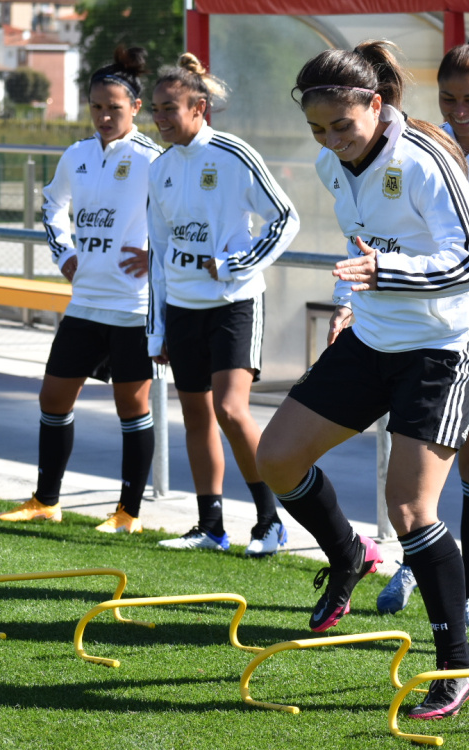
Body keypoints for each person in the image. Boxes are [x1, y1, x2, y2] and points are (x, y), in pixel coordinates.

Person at [256, 40, 469, 719]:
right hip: (371, 339)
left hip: (439, 350)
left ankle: (459, 665)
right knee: (277, 459)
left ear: (376, 105)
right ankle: (347, 555)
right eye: (317, 130)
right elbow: (361, 246)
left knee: (411, 510)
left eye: (342, 126)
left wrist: (387, 273)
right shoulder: (333, 164)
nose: (331, 141)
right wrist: (353, 302)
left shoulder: (422, 160)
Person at [376, 34, 469, 633]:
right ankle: (417, 563)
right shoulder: (420, 147)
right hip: (426, 330)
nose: (459, 111)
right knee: (421, 463)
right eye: (447, 98)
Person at [0, 46, 163, 533]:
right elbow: (52, 204)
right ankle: (46, 501)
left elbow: (180, 217)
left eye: (115, 107)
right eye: (96, 107)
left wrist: (155, 257)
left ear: (135, 107)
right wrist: (64, 254)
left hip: (133, 305)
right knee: (53, 397)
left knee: (132, 407)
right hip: (86, 302)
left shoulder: (154, 159)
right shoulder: (77, 155)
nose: (105, 116)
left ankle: (128, 513)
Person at [147, 53, 299, 556]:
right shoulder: (160, 169)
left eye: (170, 108)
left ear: (199, 107)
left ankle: (270, 521)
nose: (161, 118)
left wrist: (236, 263)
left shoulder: (234, 155)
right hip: (182, 309)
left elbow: (285, 218)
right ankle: (210, 527)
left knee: (231, 410)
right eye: (156, 109)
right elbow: (157, 253)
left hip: (234, 303)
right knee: (196, 416)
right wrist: (157, 328)